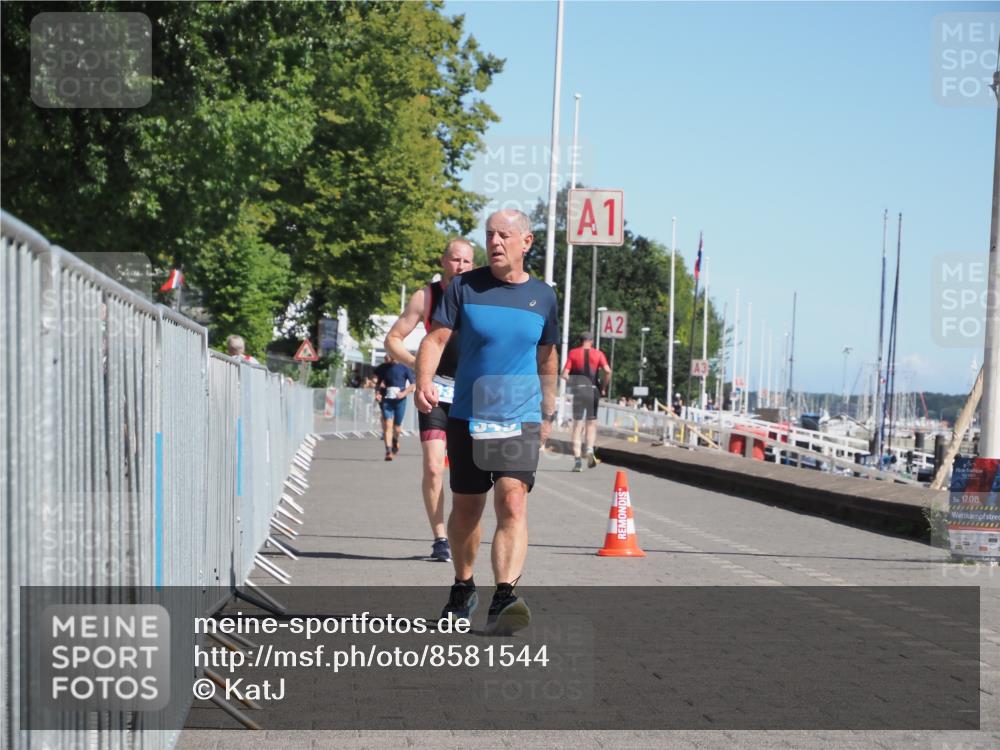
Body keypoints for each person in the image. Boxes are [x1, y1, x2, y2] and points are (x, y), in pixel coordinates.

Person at [415, 209, 558, 636]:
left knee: (512, 501)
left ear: (526, 242)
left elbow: (547, 354)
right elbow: (436, 338)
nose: (495, 242)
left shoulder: (544, 296)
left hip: (520, 415)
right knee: (468, 509)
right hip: (468, 412)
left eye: (505, 235)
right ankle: (463, 586)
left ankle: (505, 597)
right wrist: (424, 378)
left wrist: (548, 408)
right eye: (490, 234)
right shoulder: (464, 287)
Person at [384, 238, 475, 562]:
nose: (460, 266)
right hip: (434, 390)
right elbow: (392, 339)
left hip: (471, 393)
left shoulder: (480, 295)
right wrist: (417, 364)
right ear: (443, 261)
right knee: (435, 467)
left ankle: (465, 530)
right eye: (454, 260)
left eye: (466, 261)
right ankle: (440, 539)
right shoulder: (426, 296)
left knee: (471, 471)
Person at [560, 331, 611, 472]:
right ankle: (589, 449)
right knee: (591, 423)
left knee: (577, 425)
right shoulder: (598, 354)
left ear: (580, 341)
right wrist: (603, 387)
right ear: (592, 341)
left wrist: (574, 382)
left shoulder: (573, 353)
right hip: (593, 390)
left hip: (579, 390)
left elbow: (564, 374)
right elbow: (608, 371)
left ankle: (577, 461)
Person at [373, 353, 415, 461]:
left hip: (400, 400)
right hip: (387, 400)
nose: (390, 358)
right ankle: (388, 451)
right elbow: (378, 384)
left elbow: (413, 385)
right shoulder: (384, 368)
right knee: (387, 425)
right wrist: (377, 393)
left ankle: (395, 440)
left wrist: (403, 393)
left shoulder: (404, 367)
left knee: (397, 428)